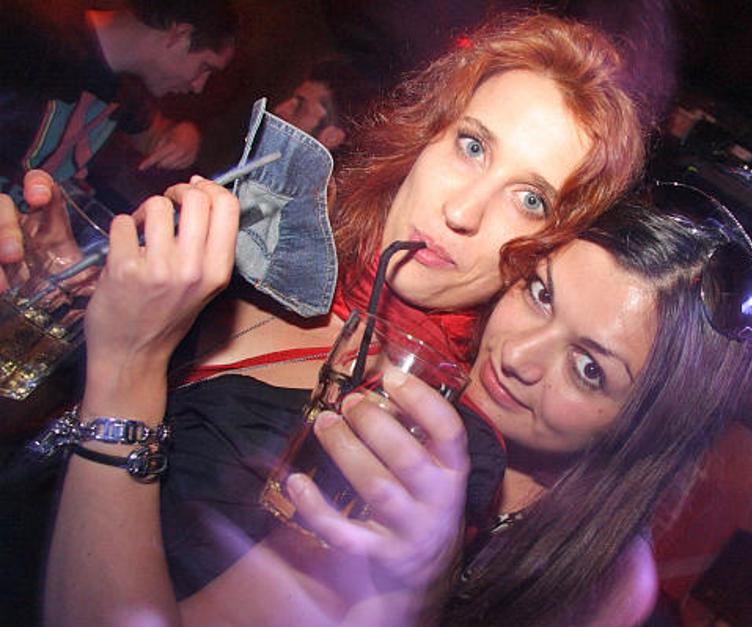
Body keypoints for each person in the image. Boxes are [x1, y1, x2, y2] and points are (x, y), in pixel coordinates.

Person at [20, 11, 650, 624]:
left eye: (531, 200)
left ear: (551, 246)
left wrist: (127, 367)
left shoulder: (428, 445)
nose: (462, 211)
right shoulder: (274, 253)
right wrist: (61, 293)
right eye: (472, 146)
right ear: (425, 136)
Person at [289, 195, 752, 625]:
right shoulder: (407, 373)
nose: (516, 357)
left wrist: (426, 590)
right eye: (541, 295)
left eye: (588, 368)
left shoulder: (608, 582)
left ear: (643, 430)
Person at [0, 0, 236, 196]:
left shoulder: (127, 90)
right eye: (205, 67)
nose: (198, 87)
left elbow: (156, 137)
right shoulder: (26, 30)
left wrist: (185, 134)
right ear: (180, 35)